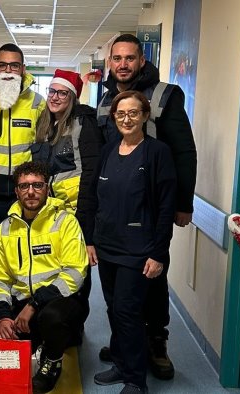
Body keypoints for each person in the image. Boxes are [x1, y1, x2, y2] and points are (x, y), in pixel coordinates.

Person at [96, 33, 197, 380]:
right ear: (110, 62)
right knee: (118, 290)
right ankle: (126, 340)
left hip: (153, 204)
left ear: (141, 60)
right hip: (117, 207)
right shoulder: (105, 97)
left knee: (152, 278)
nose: (122, 64)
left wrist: (183, 203)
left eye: (129, 58)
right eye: (117, 58)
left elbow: (184, 150)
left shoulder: (164, 94)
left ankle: (156, 343)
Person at [86, 90, 177, 394]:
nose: (127, 119)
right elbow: (96, 198)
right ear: (114, 117)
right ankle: (122, 364)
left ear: (145, 116)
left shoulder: (157, 153)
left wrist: (159, 253)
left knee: (128, 312)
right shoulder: (109, 150)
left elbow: (165, 207)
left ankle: (135, 380)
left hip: (138, 249)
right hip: (107, 244)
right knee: (113, 308)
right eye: (121, 114)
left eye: (133, 113)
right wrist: (91, 241)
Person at [0, 161, 88, 394]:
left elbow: (74, 272)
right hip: (24, 303)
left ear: (47, 187)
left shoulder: (65, 222)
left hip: (62, 301)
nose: (31, 192)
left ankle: (52, 362)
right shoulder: (5, 229)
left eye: (37, 185)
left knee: (51, 318)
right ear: (16, 191)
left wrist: (34, 304)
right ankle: (39, 342)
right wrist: (3, 317)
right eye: (24, 186)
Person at [0, 43, 46, 339]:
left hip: (26, 194)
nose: (8, 70)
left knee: (27, 253)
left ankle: (26, 314)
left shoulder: (38, 103)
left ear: (23, 69)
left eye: (14, 65)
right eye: (2, 65)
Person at [31, 69, 104, 325]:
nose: (55, 97)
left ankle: (74, 325)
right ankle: (54, 318)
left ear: (72, 97)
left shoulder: (83, 124)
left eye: (62, 93)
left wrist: (87, 229)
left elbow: (91, 175)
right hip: (50, 213)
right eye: (52, 91)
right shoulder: (44, 123)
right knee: (54, 267)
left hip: (77, 213)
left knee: (78, 270)